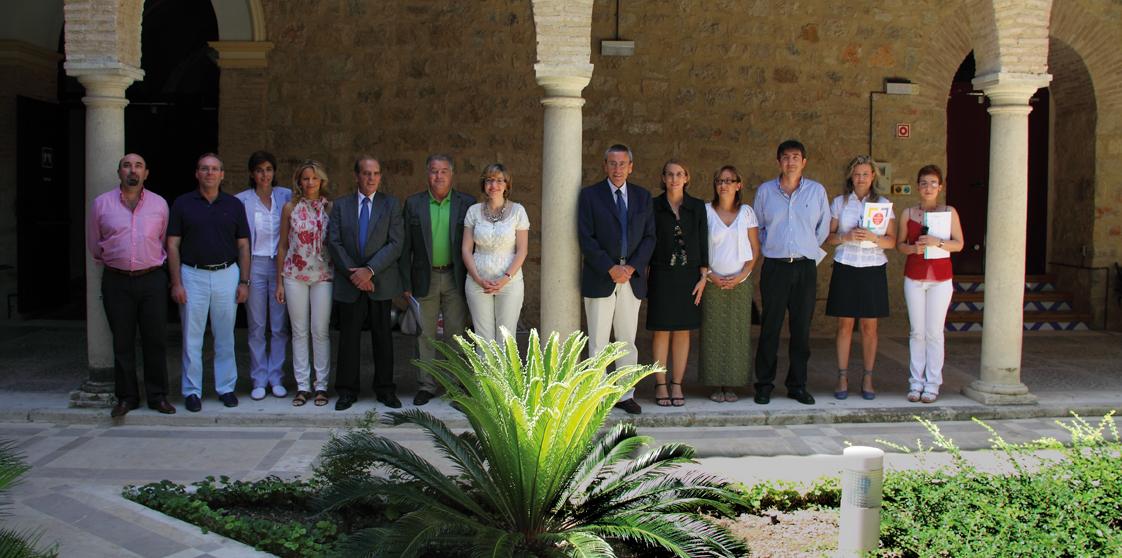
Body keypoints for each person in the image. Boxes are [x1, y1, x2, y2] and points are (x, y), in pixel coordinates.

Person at [87, 153, 176, 417]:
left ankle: (157, 396)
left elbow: (164, 241)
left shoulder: (159, 204)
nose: (132, 170)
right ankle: (126, 397)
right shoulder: (101, 204)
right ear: (119, 172)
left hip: (151, 278)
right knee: (122, 341)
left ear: (146, 173)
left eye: (138, 166)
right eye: (127, 166)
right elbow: (94, 245)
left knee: (155, 339)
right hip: (117, 280)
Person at [167, 153, 250, 413]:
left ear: (222, 175)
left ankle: (226, 387)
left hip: (226, 273)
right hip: (193, 274)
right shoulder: (182, 204)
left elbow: (243, 245)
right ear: (197, 173)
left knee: (225, 335)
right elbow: (172, 244)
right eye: (204, 168)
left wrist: (244, 281)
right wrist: (176, 283)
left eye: (215, 169)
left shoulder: (234, 205)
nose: (210, 173)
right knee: (192, 337)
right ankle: (192, 391)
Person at [578, 144, 656, 415]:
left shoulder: (642, 197)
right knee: (598, 341)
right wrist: (610, 268)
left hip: (631, 279)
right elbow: (586, 238)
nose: (617, 168)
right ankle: (597, 394)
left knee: (626, 339)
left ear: (630, 167)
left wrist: (632, 267)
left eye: (622, 164)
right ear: (605, 165)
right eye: (612, 163)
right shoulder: (590, 196)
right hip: (601, 277)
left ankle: (625, 394)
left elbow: (650, 238)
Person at [752, 139, 830, 405]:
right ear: (778, 162)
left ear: (804, 162)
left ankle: (797, 385)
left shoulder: (816, 191)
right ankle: (764, 385)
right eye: (785, 157)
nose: (791, 162)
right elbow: (758, 227)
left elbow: (823, 227)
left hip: (805, 267)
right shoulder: (765, 191)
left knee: (801, 329)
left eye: (796, 157)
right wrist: (772, 247)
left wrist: (807, 247)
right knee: (770, 327)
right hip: (775, 267)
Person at [327, 156, 404, 411]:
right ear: (356, 176)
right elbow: (334, 242)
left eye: (375, 173)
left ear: (380, 176)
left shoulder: (391, 204)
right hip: (350, 282)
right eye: (366, 173)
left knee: (383, 337)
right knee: (348, 338)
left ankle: (385, 389)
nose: (371, 178)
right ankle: (347, 391)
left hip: (380, 280)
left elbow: (396, 243)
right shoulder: (341, 205)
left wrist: (369, 271)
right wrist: (356, 275)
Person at [400, 154, 475, 406]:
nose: (439, 176)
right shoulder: (414, 204)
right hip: (425, 277)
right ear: (427, 174)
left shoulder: (467, 203)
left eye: (444, 171)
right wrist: (406, 283)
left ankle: (455, 385)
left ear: (452, 174)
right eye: (434, 171)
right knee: (425, 334)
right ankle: (427, 385)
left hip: (456, 276)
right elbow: (405, 248)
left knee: (456, 334)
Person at [824, 156, 896, 401]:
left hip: (872, 267)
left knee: (869, 327)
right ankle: (842, 376)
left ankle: (867, 377)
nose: (861, 178)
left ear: (873, 176)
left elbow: (892, 241)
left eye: (865, 174)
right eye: (857, 174)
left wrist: (874, 238)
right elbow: (828, 237)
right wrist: (846, 237)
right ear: (851, 177)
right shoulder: (840, 203)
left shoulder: (883, 204)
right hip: (846, 265)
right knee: (844, 325)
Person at [896, 164, 964, 404]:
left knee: (934, 332)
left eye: (933, 183)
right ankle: (916, 382)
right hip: (914, 276)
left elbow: (959, 244)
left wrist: (938, 242)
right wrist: (913, 249)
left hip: (941, 278)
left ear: (940, 187)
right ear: (918, 186)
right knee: (917, 331)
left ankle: (933, 383)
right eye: (924, 183)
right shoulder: (908, 213)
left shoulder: (949, 212)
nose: (928, 188)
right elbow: (900, 245)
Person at [646, 160, 708, 407]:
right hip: (661, 273)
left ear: (686, 177)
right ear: (663, 178)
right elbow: (648, 239)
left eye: (679, 174)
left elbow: (703, 240)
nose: (674, 179)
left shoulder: (697, 207)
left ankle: (677, 384)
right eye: (670, 174)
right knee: (661, 330)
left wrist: (704, 275)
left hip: (689, 275)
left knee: (683, 330)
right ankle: (660, 383)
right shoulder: (653, 206)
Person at [699, 165, 760, 403]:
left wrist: (742, 275)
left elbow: (755, 248)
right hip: (711, 281)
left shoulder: (746, 212)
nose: (723, 185)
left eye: (728, 180)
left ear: (738, 185)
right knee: (713, 333)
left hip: (740, 282)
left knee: (737, 333)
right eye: (719, 181)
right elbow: (699, 247)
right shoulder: (706, 211)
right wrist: (709, 274)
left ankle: (732, 384)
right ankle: (715, 384)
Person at [234, 151, 292, 401]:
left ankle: (276, 377)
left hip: (279, 264)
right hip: (255, 264)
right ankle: (258, 378)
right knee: (257, 325)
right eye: (259, 170)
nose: (264, 175)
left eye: (268, 169)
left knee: (279, 325)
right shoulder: (241, 200)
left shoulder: (286, 195)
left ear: (274, 172)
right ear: (252, 173)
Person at [277, 160, 334, 407]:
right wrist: (279, 281)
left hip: (323, 275)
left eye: (315, 178)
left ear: (322, 181)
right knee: (299, 331)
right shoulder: (290, 207)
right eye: (306, 178)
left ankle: (321, 385)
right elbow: (282, 246)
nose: (310, 182)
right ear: (299, 181)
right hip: (294, 275)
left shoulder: (329, 207)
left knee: (320, 330)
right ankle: (302, 385)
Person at [462, 163, 529, 342]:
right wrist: (478, 279)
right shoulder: (473, 211)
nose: (494, 185)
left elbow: (522, 250)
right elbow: (466, 249)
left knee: (506, 338)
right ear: (484, 184)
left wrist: (504, 279)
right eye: (489, 180)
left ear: (507, 185)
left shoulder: (518, 211)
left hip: (509, 282)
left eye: (500, 180)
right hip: (477, 282)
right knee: (483, 339)